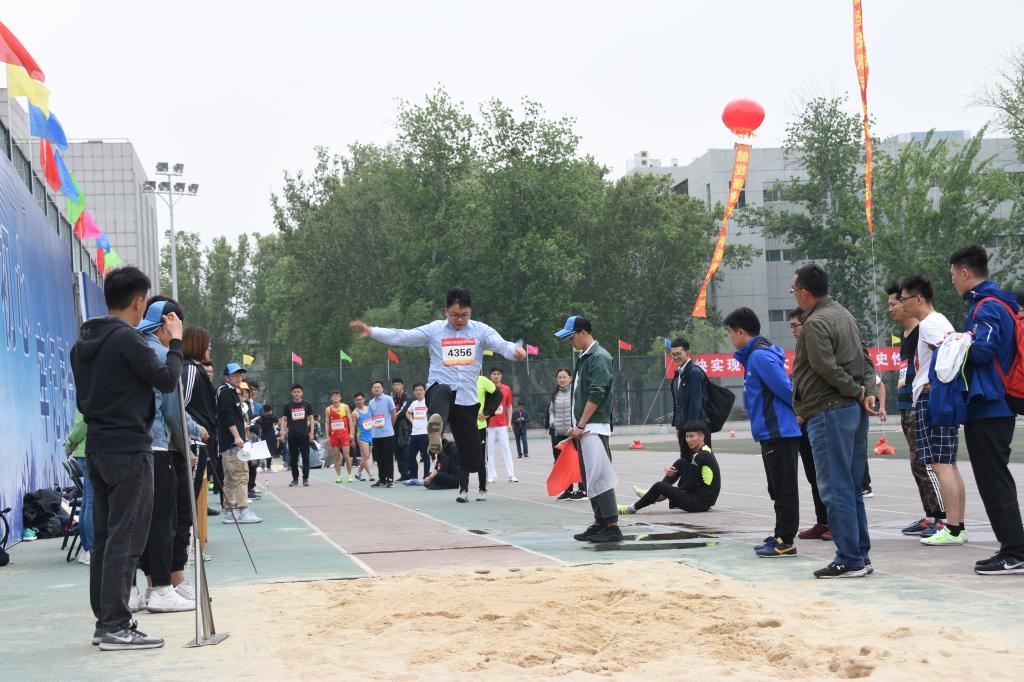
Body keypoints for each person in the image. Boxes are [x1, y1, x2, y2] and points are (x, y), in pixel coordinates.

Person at [70, 265, 183, 650]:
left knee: (105, 539)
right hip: (130, 448)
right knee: (127, 536)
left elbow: (84, 401)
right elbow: (166, 381)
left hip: (98, 446)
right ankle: (116, 625)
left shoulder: (82, 343)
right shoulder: (129, 340)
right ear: (138, 302)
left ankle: (106, 621)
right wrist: (175, 345)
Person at [349, 287, 526, 503]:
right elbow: (403, 335)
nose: (459, 320)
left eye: (464, 315)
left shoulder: (481, 331)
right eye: (454, 315)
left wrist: (514, 351)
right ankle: (436, 426)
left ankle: (449, 441)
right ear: (445, 311)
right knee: (442, 390)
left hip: (467, 400)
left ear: (470, 312)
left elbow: (501, 344)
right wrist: (372, 331)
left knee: (473, 460)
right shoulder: (434, 330)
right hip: (439, 391)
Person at [791, 264, 877, 579]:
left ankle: (849, 558)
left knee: (835, 487)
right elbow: (866, 360)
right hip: (851, 411)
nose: (794, 295)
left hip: (829, 411)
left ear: (804, 292)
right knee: (851, 487)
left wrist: (856, 391)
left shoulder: (815, 323)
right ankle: (860, 554)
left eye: (793, 289)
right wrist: (867, 392)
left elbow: (825, 367)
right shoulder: (845, 315)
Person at [949, 245, 1024, 575]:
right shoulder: (996, 303)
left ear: (965, 273)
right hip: (992, 404)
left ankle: (1015, 551)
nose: (953, 281)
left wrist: (953, 345)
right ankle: (1013, 547)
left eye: (954, 275)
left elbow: (983, 350)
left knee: (994, 480)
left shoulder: (988, 306)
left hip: (991, 406)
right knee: (995, 478)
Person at [137, 298, 201, 614]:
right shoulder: (163, 356)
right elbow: (174, 413)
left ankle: (141, 588)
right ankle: (162, 588)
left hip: (126, 447)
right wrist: (191, 441)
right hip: (157, 449)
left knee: (134, 523)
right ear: (169, 322)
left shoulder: (130, 350)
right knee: (163, 522)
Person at [725, 307, 802, 558]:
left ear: (741, 332)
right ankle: (780, 534)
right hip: (770, 432)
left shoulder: (760, 357)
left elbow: (787, 389)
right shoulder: (753, 356)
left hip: (779, 432)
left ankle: (786, 540)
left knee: (784, 488)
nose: (730, 338)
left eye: (730, 333)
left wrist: (800, 411)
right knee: (776, 488)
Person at [898, 275, 967, 546]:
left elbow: (950, 354)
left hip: (933, 399)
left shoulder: (929, 324)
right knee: (948, 464)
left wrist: (934, 382)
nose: (902, 304)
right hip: (939, 397)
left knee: (940, 464)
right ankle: (957, 526)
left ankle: (953, 529)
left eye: (904, 299)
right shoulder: (939, 321)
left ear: (918, 298)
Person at [555, 316, 622, 543]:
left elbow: (597, 393)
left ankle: (611, 526)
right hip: (585, 428)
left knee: (600, 476)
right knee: (590, 478)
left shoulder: (599, 357)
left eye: (571, 336)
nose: (570, 341)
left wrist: (581, 424)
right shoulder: (585, 357)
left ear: (583, 332)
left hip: (593, 427)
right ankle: (600, 522)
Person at [886, 283, 946, 537]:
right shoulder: (907, 334)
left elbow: (944, 356)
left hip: (920, 404)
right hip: (906, 405)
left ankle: (941, 518)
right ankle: (931, 514)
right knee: (916, 463)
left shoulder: (925, 329)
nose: (891, 308)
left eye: (895, 302)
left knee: (926, 462)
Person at [789, 309, 831, 543]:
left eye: (795, 325)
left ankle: (836, 523)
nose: (793, 331)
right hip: (803, 423)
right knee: (814, 476)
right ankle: (822, 521)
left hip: (818, 419)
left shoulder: (818, 348)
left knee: (828, 476)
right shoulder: (800, 350)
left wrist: (805, 412)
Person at [619, 422, 720, 514]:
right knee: (682, 462)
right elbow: (692, 476)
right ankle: (653, 494)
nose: (688, 440)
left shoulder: (700, 456)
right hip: (703, 500)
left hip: (699, 503)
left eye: (691, 436)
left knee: (659, 486)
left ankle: (631, 508)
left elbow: (690, 485)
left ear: (702, 437)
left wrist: (666, 492)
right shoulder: (706, 450)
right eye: (686, 436)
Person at [181, 326, 219, 562]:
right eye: (208, 344)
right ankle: (186, 549)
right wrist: (189, 438)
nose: (210, 348)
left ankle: (189, 546)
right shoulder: (189, 370)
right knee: (188, 498)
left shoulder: (196, 369)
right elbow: (179, 406)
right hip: (193, 442)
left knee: (192, 496)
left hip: (200, 441)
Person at [217, 363, 261, 523]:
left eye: (240, 375)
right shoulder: (226, 392)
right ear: (226, 377)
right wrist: (237, 437)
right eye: (234, 375)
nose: (238, 378)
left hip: (228, 443)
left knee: (229, 478)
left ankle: (230, 512)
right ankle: (243, 510)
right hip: (232, 444)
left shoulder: (230, 392)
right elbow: (228, 417)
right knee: (241, 476)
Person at [548, 368, 586, 500]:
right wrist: (552, 422)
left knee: (577, 461)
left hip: (573, 433)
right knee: (562, 463)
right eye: (559, 377)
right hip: (558, 433)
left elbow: (580, 409)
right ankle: (568, 490)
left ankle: (582, 489)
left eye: (564, 377)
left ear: (570, 378)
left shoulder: (575, 393)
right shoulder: (555, 394)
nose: (562, 380)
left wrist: (576, 426)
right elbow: (551, 411)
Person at [670, 337, 710, 450]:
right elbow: (681, 404)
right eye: (673, 354)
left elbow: (695, 403)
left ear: (687, 353)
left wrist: (691, 432)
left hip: (695, 430)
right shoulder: (681, 372)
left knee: (701, 459)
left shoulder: (693, 372)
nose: (675, 357)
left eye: (678, 354)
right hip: (686, 429)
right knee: (687, 459)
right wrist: (679, 428)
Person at [65, 410, 92, 565]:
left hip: (86, 452)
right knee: (91, 503)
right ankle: (90, 549)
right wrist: (70, 442)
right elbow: (82, 424)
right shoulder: (89, 396)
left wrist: (71, 443)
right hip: (90, 452)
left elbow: (81, 425)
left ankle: (87, 548)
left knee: (88, 503)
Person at [485, 367, 518, 483]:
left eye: (498, 374)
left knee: (506, 449)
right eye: (494, 374)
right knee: (489, 451)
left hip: (502, 424)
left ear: (501, 376)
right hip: (489, 424)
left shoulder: (506, 389)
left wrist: (509, 423)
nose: (496, 376)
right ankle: (491, 475)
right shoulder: (486, 388)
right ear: (490, 376)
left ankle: (511, 474)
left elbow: (508, 406)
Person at [280, 384, 315, 487]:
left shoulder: (307, 404)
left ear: (302, 393)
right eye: (295, 392)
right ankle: (295, 479)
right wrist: (282, 432)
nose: (297, 393)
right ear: (292, 393)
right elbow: (283, 419)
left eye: (299, 391)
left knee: (305, 457)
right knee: (293, 458)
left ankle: (305, 479)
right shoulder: (288, 405)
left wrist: (311, 433)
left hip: (304, 434)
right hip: (292, 435)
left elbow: (311, 419)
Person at [368, 380, 398, 487]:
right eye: (374, 387)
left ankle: (390, 479)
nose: (376, 389)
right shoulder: (371, 402)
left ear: (382, 389)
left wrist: (389, 426)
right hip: (376, 435)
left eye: (378, 387)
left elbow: (394, 414)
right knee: (378, 458)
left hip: (387, 434)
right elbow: (371, 418)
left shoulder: (388, 399)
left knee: (388, 457)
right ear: (372, 390)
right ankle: (382, 480)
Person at [326, 391, 354, 483]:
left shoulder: (345, 407)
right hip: (334, 435)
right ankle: (339, 476)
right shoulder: (328, 409)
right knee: (336, 456)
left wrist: (351, 433)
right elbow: (327, 423)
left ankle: (349, 475)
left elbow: (350, 420)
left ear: (340, 398)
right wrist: (327, 436)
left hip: (344, 434)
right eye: (334, 396)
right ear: (331, 398)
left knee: (346, 455)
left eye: (337, 396)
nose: (335, 398)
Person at [407, 383, 432, 478]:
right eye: (416, 390)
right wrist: (412, 421)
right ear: (414, 392)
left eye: (420, 390)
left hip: (425, 433)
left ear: (425, 391)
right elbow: (408, 413)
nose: (418, 392)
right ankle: (414, 477)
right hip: (414, 434)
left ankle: (426, 476)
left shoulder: (428, 402)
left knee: (425, 456)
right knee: (411, 456)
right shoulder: (414, 403)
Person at [391, 379, 414, 481]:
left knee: (406, 452)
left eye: (398, 384)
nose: (396, 386)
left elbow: (403, 412)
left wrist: (392, 417)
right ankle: (403, 474)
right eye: (394, 385)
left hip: (405, 429)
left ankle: (410, 474)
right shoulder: (392, 399)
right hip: (394, 429)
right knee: (398, 453)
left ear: (402, 386)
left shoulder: (407, 398)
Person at [352, 393, 375, 481]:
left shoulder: (369, 409)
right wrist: (352, 439)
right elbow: (353, 427)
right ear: (354, 401)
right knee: (365, 455)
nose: (359, 401)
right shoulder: (355, 413)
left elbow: (374, 419)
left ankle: (358, 473)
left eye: (360, 399)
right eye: (357, 400)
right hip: (361, 436)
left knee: (366, 457)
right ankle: (371, 475)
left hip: (371, 435)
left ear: (364, 399)